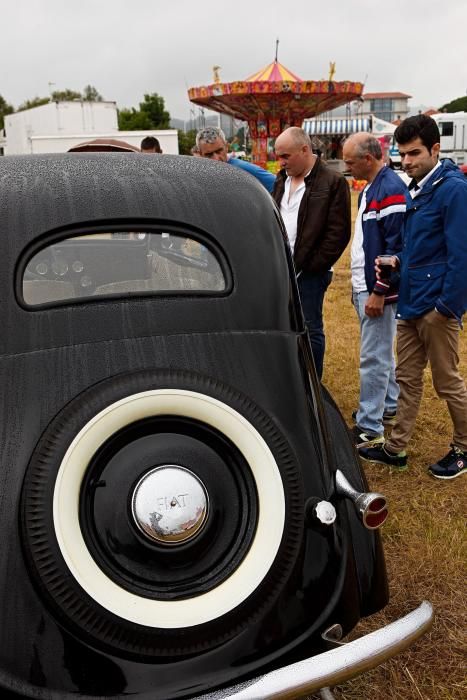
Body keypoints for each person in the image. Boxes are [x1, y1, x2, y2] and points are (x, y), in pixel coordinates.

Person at [359, 115, 467, 479]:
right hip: (410, 302)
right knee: (406, 379)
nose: (406, 162)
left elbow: (461, 255)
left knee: (447, 382)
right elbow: (421, 251)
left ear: (436, 149)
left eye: (414, 153)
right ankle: (396, 446)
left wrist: (446, 307)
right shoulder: (419, 187)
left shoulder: (452, 189)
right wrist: (397, 261)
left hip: (435, 307)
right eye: (402, 154)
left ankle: (464, 448)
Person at [342, 133, 407, 447]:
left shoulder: (390, 189)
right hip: (365, 286)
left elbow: (397, 248)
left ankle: (369, 426)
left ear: (368, 158)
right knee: (381, 354)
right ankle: (388, 405)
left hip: (375, 290)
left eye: (350, 162)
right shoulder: (371, 188)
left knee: (374, 358)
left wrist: (380, 291)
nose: (347, 168)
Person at [273, 126, 351, 379]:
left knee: (310, 327)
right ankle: (292, 376)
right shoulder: (281, 178)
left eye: (285, 156)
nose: (281, 162)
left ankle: (311, 381)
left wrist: (312, 267)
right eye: (278, 156)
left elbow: (337, 235)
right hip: (281, 266)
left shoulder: (333, 181)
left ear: (304, 150)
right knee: (283, 324)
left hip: (310, 272)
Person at [195, 126, 276, 193]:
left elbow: (279, 186)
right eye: (209, 155)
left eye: (219, 151)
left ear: (226, 147)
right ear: (200, 154)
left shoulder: (244, 169)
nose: (216, 159)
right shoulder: (198, 176)